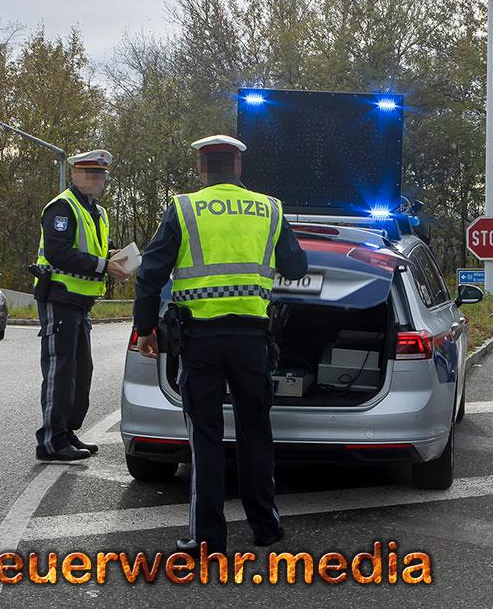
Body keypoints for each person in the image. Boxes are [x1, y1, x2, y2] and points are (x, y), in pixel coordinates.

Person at [132, 134, 307, 554]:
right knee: (256, 432)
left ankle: (208, 539)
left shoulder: (184, 208)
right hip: (252, 342)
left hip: (200, 342)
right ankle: (265, 527)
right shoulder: (270, 208)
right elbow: (296, 266)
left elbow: (149, 275)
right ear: (238, 168)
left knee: (205, 437)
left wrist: (145, 330)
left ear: (201, 168)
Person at [35, 150, 132, 462]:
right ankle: (50, 440)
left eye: (101, 175)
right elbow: (58, 252)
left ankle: (66, 431)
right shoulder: (62, 207)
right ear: (75, 174)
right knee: (60, 372)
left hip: (80, 303)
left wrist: (117, 259)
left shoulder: (98, 213)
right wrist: (105, 265)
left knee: (81, 370)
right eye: (90, 173)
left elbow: (96, 250)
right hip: (59, 297)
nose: (96, 180)